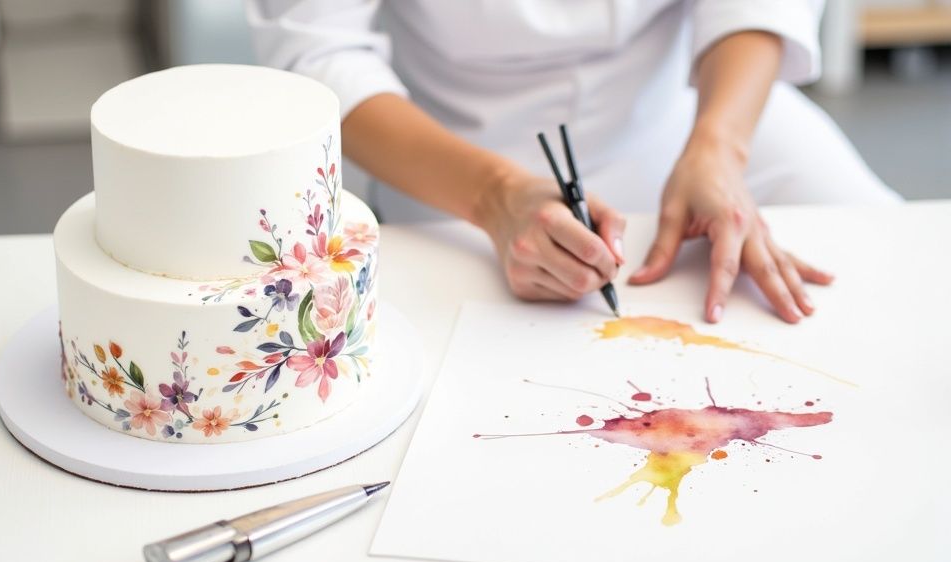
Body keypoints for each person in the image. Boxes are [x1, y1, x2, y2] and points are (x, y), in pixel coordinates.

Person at [247, 0, 900, 324]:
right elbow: (316, 53)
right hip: (458, 153)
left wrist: (720, 146)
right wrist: (494, 196)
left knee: (894, 273)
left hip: (694, 109)